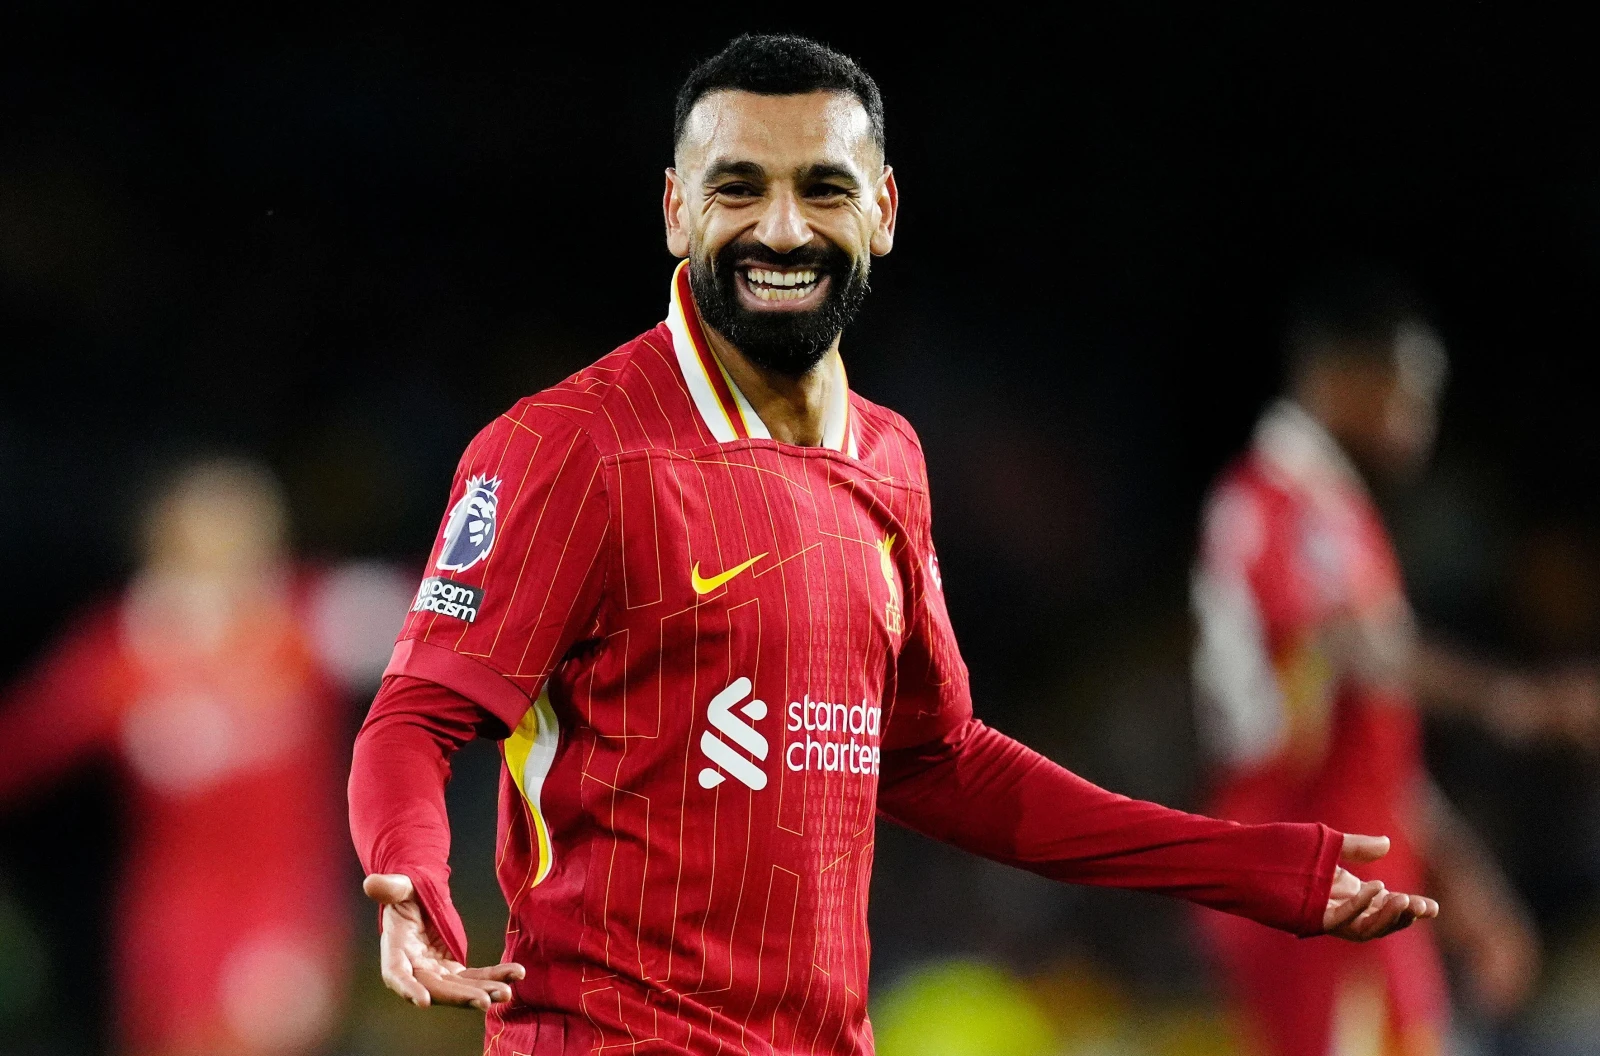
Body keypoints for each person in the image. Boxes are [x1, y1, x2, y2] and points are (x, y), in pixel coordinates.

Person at [348, 36, 1438, 1056]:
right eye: (739, 188)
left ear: (883, 211)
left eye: (823, 188)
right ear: (677, 211)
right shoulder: (571, 448)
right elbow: (416, 716)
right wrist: (408, 870)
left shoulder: (890, 459)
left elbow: (939, 760)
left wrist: (1247, 864)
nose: (782, 230)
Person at [1190, 269, 1572, 1055]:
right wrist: (1515, 700)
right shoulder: (1271, 501)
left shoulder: (1340, 516)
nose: (1420, 422)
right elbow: (1352, 648)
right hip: (1306, 874)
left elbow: (1373, 735)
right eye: (1407, 394)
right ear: (1342, 377)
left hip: (1364, 873)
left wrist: (1465, 882)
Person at [0, 456, 410, 1054]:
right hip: (170, 928)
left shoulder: (309, 619)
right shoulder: (128, 649)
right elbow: (23, 742)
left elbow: (447, 613)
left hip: (283, 920)